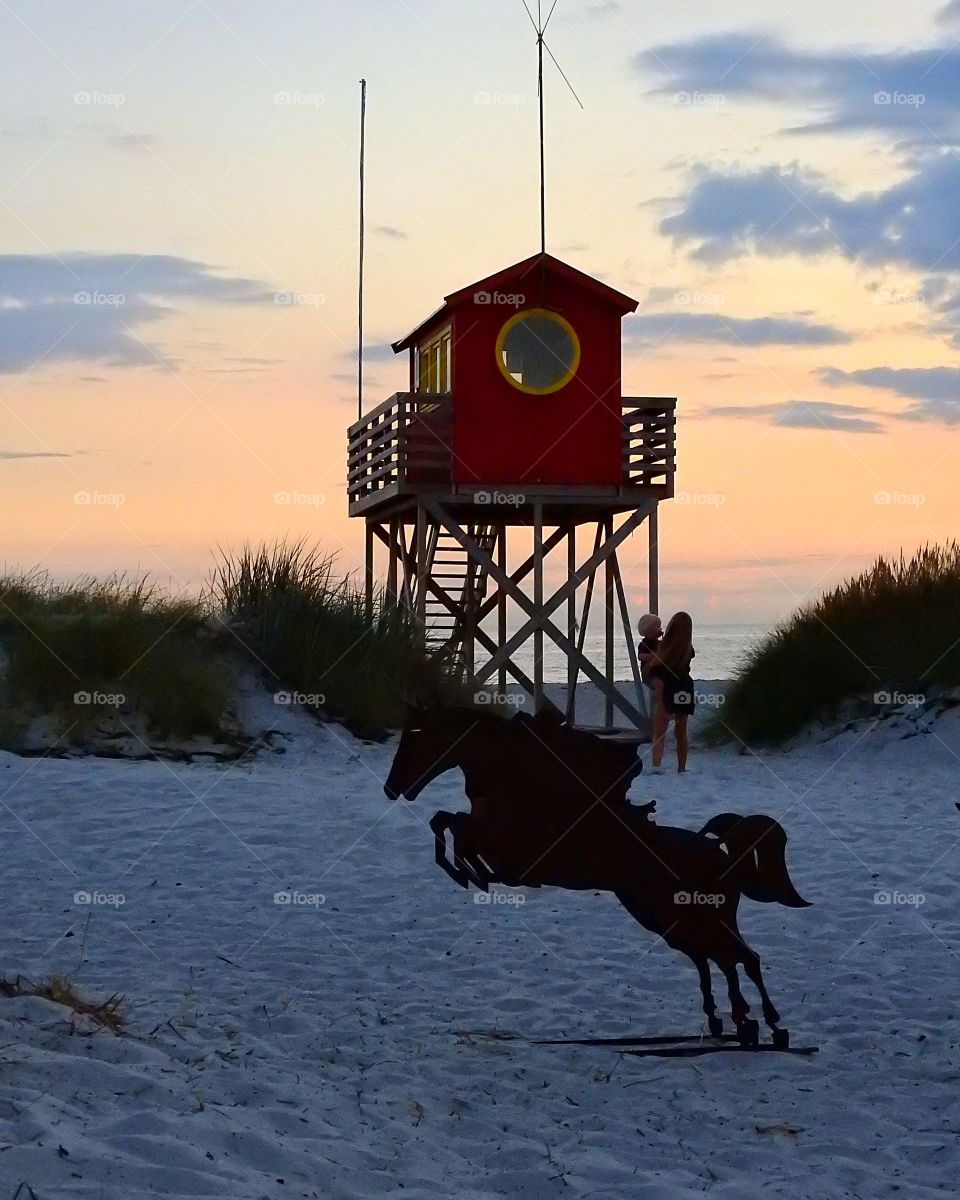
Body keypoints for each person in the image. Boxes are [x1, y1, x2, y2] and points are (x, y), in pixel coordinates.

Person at [647, 611, 696, 774]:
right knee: (681, 731)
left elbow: (654, 668)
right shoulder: (688, 648)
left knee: (660, 729)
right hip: (684, 686)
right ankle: (681, 767)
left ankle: (656, 765)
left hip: (668, 686)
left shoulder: (663, 647)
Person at [636, 613, 662, 687]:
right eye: (658, 627)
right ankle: (658, 698)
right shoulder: (645, 643)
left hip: (658, 672)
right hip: (650, 673)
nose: (660, 629)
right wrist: (653, 656)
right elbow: (640, 656)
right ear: (649, 630)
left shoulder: (658, 642)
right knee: (658, 684)